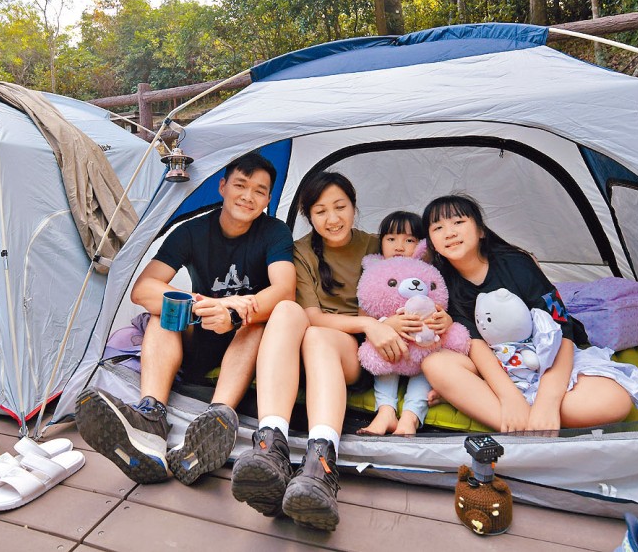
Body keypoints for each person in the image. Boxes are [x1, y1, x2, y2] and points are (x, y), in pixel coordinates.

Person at [230, 172, 449, 531]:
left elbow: (426, 279)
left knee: (316, 337)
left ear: (354, 206)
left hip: (361, 355)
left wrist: (436, 317)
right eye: (320, 211)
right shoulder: (300, 251)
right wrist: (369, 324)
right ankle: (270, 446)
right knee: (288, 310)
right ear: (309, 216)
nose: (332, 219)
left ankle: (321, 464)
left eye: (340, 207)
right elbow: (312, 315)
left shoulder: (378, 244)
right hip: (330, 340)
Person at [76, 152, 296, 486]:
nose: (248, 196)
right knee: (162, 311)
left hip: (246, 339)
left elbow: (284, 291)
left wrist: (235, 312)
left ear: (268, 199)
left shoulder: (274, 232)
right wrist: (201, 306)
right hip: (202, 331)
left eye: (260, 191)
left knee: (258, 323)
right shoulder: (192, 232)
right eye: (240, 184)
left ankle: (214, 422)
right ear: (222, 187)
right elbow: (143, 288)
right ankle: (151, 413)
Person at [419, 194, 638, 433]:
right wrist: (509, 396)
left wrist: (548, 402)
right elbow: (474, 345)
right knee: (435, 364)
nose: (449, 233)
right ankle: (520, 419)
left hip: (547, 357)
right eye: (438, 227)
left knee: (614, 402)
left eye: (458, 222)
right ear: (432, 243)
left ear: (480, 231)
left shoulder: (517, 264)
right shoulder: (441, 282)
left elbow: (562, 328)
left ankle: (507, 414)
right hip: (496, 366)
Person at [356, 211, 436, 437]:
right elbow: (364, 314)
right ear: (381, 243)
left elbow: (441, 304)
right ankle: (386, 411)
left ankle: (411, 416)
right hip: (391, 344)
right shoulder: (374, 272)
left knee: (428, 364)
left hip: (422, 345)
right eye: (391, 239)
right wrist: (385, 324)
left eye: (409, 240)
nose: (399, 246)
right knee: (383, 351)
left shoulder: (428, 272)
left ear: (421, 245)